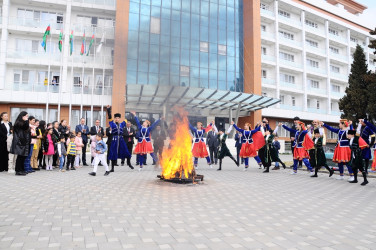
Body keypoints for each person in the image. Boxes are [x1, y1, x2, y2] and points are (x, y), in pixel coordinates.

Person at [106, 105, 133, 171]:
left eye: (118, 118)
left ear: (119, 119)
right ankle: (112, 168)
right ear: (114, 119)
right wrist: (109, 109)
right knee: (113, 153)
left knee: (126, 151)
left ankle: (129, 163)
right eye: (116, 118)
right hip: (114, 140)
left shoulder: (122, 124)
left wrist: (131, 113)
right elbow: (109, 116)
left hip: (121, 140)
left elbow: (127, 118)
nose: (117, 119)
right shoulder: (112, 124)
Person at [11, 111, 30, 176]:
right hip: (19, 142)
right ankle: (18, 170)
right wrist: (26, 121)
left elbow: (26, 127)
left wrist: (26, 121)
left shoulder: (23, 122)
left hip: (23, 141)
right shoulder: (18, 123)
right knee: (20, 156)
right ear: (22, 116)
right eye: (26, 116)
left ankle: (21, 169)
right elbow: (25, 127)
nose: (27, 117)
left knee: (23, 156)